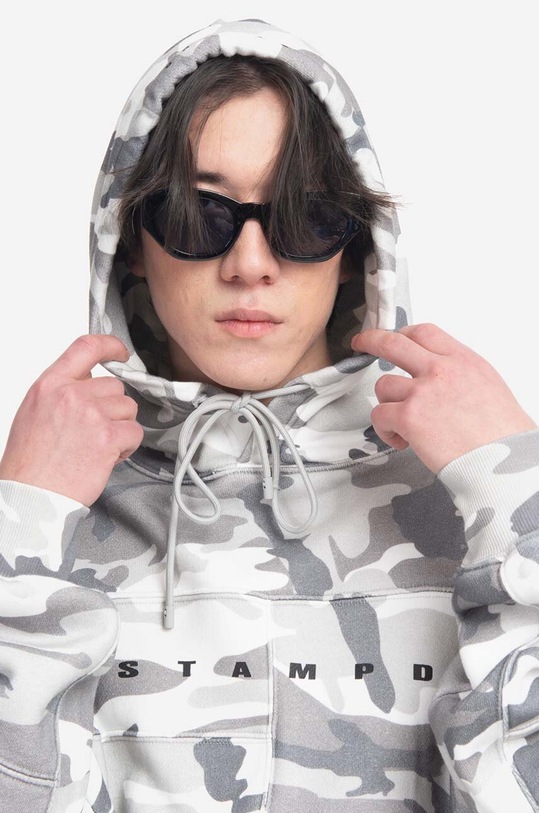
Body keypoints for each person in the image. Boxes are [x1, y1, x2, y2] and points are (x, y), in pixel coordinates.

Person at [0, 16, 537, 813]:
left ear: (356, 247)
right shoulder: (52, 513)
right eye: (198, 216)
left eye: (302, 218)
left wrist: (517, 496)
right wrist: (20, 532)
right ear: (131, 240)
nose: (250, 264)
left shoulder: (467, 504)